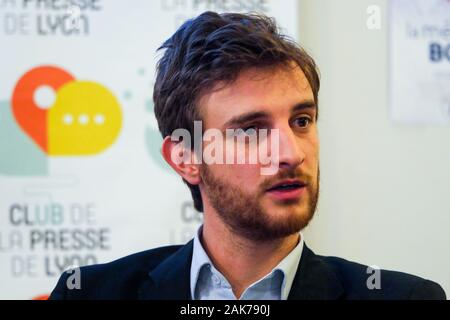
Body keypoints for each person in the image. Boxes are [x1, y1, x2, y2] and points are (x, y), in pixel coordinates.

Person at [49, 11, 446, 300]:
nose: (291, 153)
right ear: (185, 156)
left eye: (302, 120)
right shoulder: (89, 293)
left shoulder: (405, 297)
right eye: (252, 130)